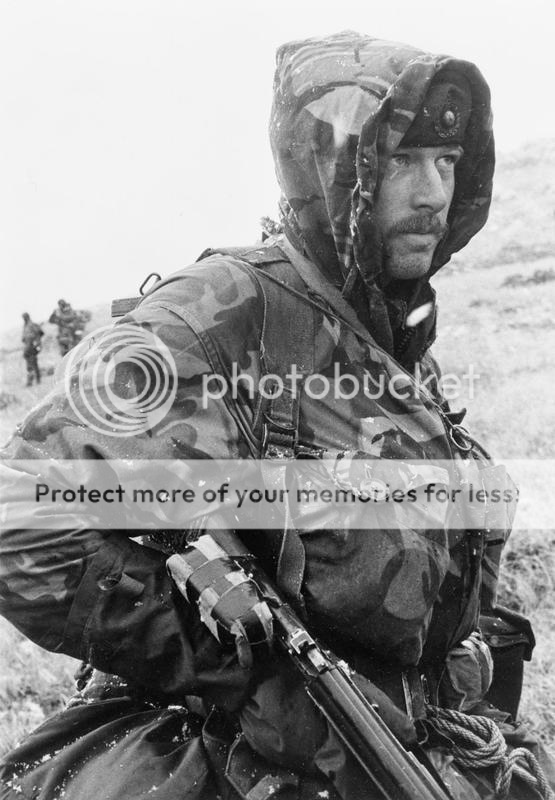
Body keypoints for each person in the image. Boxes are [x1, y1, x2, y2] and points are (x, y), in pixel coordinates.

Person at [1, 31, 554, 800]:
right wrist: (242, 670)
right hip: (245, 761)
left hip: (415, 750)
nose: (432, 192)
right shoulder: (220, 312)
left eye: (447, 161)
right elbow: (23, 518)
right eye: (401, 160)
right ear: (333, 167)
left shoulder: (385, 331)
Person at [21, 312, 44, 386]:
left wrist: (37, 344)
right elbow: (24, 338)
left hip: (32, 348)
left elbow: (40, 333)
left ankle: (37, 380)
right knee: (30, 365)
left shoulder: (32, 325)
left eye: (24, 317)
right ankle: (31, 381)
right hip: (28, 348)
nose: (24, 319)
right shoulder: (25, 326)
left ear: (27, 317)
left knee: (33, 364)